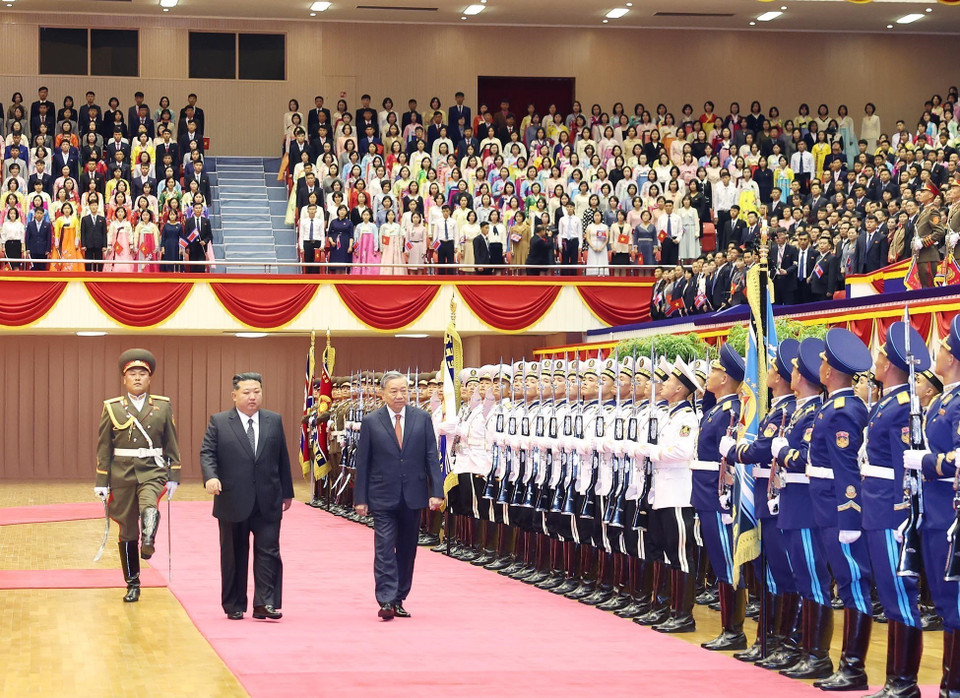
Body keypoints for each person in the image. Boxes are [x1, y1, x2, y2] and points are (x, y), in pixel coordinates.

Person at [806, 328, 874, 691]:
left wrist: (849, 515)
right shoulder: (832, 407)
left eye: (822, 363)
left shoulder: (843, 411)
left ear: (830, 372)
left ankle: (854, 668)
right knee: (846, 583)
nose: (819, 367)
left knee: (853, 584)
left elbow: (847, 467)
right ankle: (849, 664)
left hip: (838, 509)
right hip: (826, 505)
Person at [200, 372, 294, 621]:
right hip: (232, 499)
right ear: (234, 395)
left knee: (269, 551)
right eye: (246, 392)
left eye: (257, 392)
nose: (253, 397)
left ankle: (265, 603)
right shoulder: (219, 422)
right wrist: (211, 476)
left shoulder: (274, 420)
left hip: (268, 498)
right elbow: (207, 452)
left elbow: (282, 457)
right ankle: (234, 604)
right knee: (233, 554)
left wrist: (287, 492)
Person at [354, 371, 443, 620]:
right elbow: (364, 462)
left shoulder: (422, 418)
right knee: (383, 548)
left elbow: (430, 456)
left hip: (413, 496)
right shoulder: (372, 421)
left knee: (407, 550)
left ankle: (399, 597)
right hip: (382, 496)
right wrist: (360, 498)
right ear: (383, 394)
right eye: (393, 391)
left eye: (403, 390)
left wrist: (436, 491)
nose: (399, 395)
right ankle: (385, 599)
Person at [94, 349, 181, 602]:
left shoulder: (162, 406)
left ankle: (150, 538)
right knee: (127, 531)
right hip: (121, 473)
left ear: (149, 378)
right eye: (132, 373)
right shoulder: (112, 408)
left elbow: (171, 441)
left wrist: (173, 473)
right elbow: (104, 447)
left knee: (149, 503)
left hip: (152, 469)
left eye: (142, 373)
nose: (137, 377)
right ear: (124, 379)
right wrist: (102, 481)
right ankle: (133, 583)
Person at [80, 198, 107, 272]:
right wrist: (83, 245)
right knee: (88, 262)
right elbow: (82, 232)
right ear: (89, 206)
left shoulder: (102, 219)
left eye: (95, 205)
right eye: (92, 205)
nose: (94, 207)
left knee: (99, 262)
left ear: (98, 206)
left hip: (99, 243)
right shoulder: (85, 219)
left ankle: (99, 276)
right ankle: (88, 276)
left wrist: (104, 245)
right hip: (88, 244)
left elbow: (104, 233)